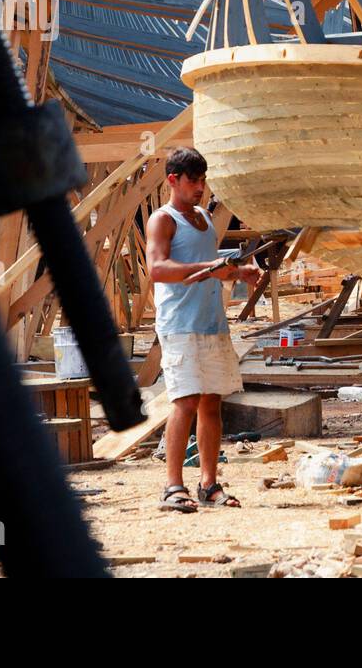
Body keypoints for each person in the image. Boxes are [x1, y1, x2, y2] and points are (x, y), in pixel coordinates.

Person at [145, 147, 260, 511]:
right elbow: (157, 270)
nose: (200, 188)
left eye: (203, 180)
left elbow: (208, 267)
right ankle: (173, 486)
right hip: (180, 325)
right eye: (193, 181)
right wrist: (213, 267)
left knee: (211, 401)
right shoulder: (163, 220)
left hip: (212, 323)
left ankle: (209, 484)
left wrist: (238, 272)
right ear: (173, 180)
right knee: (185, 402)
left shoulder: (202, 218)